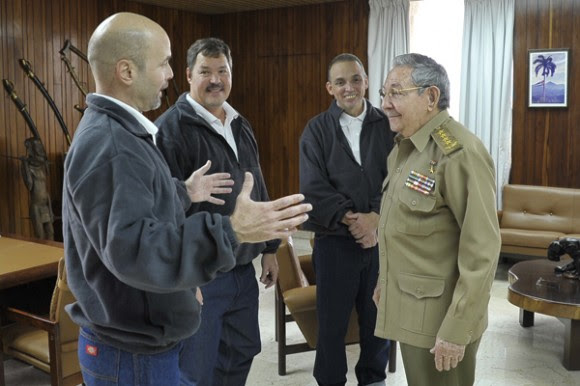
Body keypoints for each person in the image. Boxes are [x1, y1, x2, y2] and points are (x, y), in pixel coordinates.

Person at [62, 12, 311, 386]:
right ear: (127, 71)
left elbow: (137, 207)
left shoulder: (124, 135)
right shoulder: (114, 145)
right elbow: (135, 250)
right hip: (133, 351)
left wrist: (182, 192)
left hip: (144, 335)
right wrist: (230, 231)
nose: (169, 74)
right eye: (163, 63)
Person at [155, 37, 279, 386]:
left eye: (222, 71)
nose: (215, 79)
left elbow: (258, 184)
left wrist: (269, 248)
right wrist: (185, 278)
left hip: (242, 268)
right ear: (188, 76)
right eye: (205, 71)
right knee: (196, 367)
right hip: (203, 274)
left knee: (241, 352)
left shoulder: (241, 123)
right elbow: (164, 209)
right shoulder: (170, 129)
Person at [373, 53, 501, 386]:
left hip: (442, 321)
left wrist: (457, 330)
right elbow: (406, 230)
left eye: (396, 93)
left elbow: (482, 250)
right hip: (412, 307)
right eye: (383, 94)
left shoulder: (459, 152)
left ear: (430, 97)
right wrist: (384, 281)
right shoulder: (408, 148)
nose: (385, 103)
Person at [299, 53, 394, 386]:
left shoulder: (389, 124)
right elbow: (313, 187)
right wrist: (354, 221)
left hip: (383, 242)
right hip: (335, 244)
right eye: (340, 81)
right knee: (331, 325)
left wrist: (376, 218)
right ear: (329, 88)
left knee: (377, 320)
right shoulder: (316, 130)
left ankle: (373, 379)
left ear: (367, 81)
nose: (349, 87)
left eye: (355, 79)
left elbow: (400, 179)